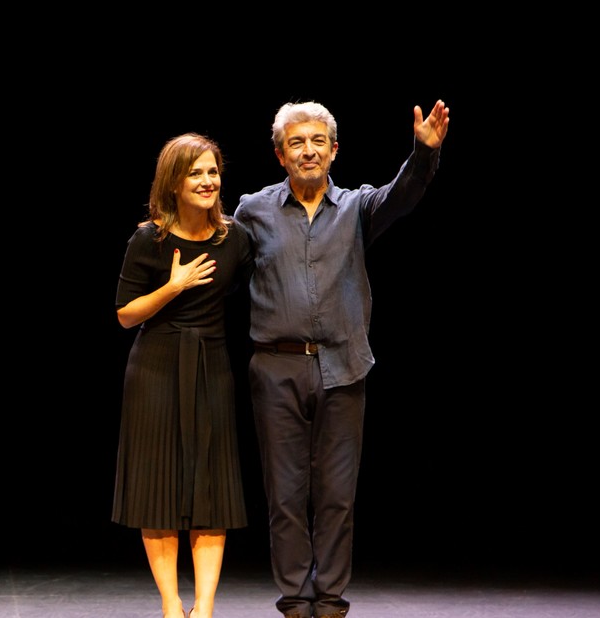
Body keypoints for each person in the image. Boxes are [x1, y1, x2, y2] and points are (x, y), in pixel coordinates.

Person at [232, 99, 450, 618]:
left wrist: (423, 153)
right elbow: (221, 260)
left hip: (343, 365)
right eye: (296, 143)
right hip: (276, 367)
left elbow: (402, 195)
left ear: (334, 150)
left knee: (337, 493)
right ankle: (295, 598)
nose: (308, 151)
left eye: (317, 142)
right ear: (280, 155)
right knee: (285, 493)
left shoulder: (357, 207)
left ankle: (329, 598)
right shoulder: (253, 210)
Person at [112, 132, 253, 618]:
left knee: (212, 486)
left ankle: (205, 607)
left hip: (212, 364)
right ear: (174, 182)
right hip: (155, 366)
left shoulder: (234, 238)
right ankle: (173, 606)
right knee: (159, 487)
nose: (208, 181)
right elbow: (125, 314)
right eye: (196, 173)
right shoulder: (148, 239)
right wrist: (173, 287)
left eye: (213, 172)